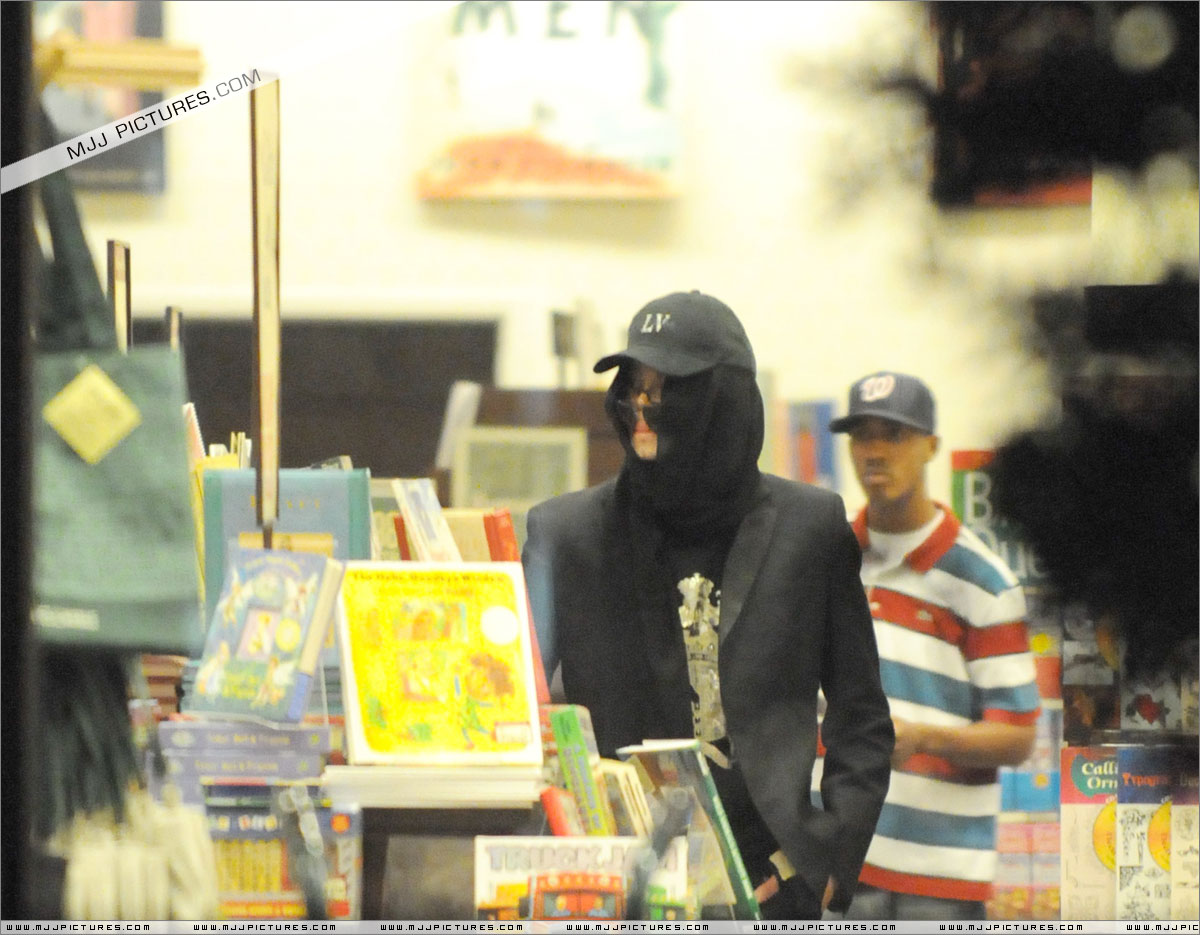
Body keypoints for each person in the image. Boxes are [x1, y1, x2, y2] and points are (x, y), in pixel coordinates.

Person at [522, 291, 894, 920]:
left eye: (665, 390)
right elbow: (515, 713)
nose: (640, 408)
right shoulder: (566, 535)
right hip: (616, 885)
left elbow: (860, 714)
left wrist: (828, 859)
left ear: (723, 401)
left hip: (775, 887)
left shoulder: (812, 528)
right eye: (632, 387)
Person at [825, 371, 1041, 921]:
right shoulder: (828, 558)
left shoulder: (983, 581)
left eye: (895, 435)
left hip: (941, 878)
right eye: (862, 435)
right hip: (839, 862)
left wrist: (923, 738)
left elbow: (1018, 736)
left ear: (931, 446)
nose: (876, 451)